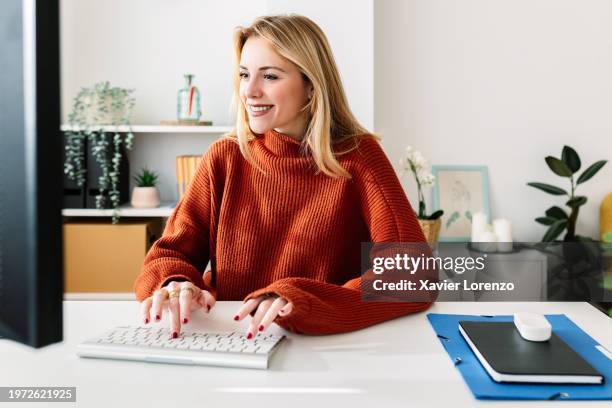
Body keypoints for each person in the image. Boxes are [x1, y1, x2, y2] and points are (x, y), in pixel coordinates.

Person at [134, 14, 434, 340]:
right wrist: (175, 283)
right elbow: (168, 255)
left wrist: (303, 300)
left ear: (310, 86)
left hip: (323, 350)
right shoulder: (225, 157)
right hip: (227, 341)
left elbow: (413, 274)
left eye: (270, 76)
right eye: (244, 74)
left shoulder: (359, 157)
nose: (249, 90)